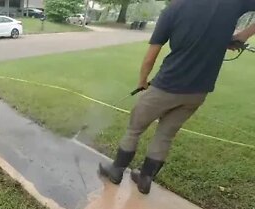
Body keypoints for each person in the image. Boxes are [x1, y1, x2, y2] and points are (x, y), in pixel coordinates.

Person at [99, 0, 255, 194]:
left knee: (134, 129)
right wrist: (242, 35)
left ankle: (116, 171)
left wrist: (142, 80)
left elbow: (150, 56)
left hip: (166, 87)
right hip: (198, 92)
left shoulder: (174, 9)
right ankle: (145, 179)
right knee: (165, 135)